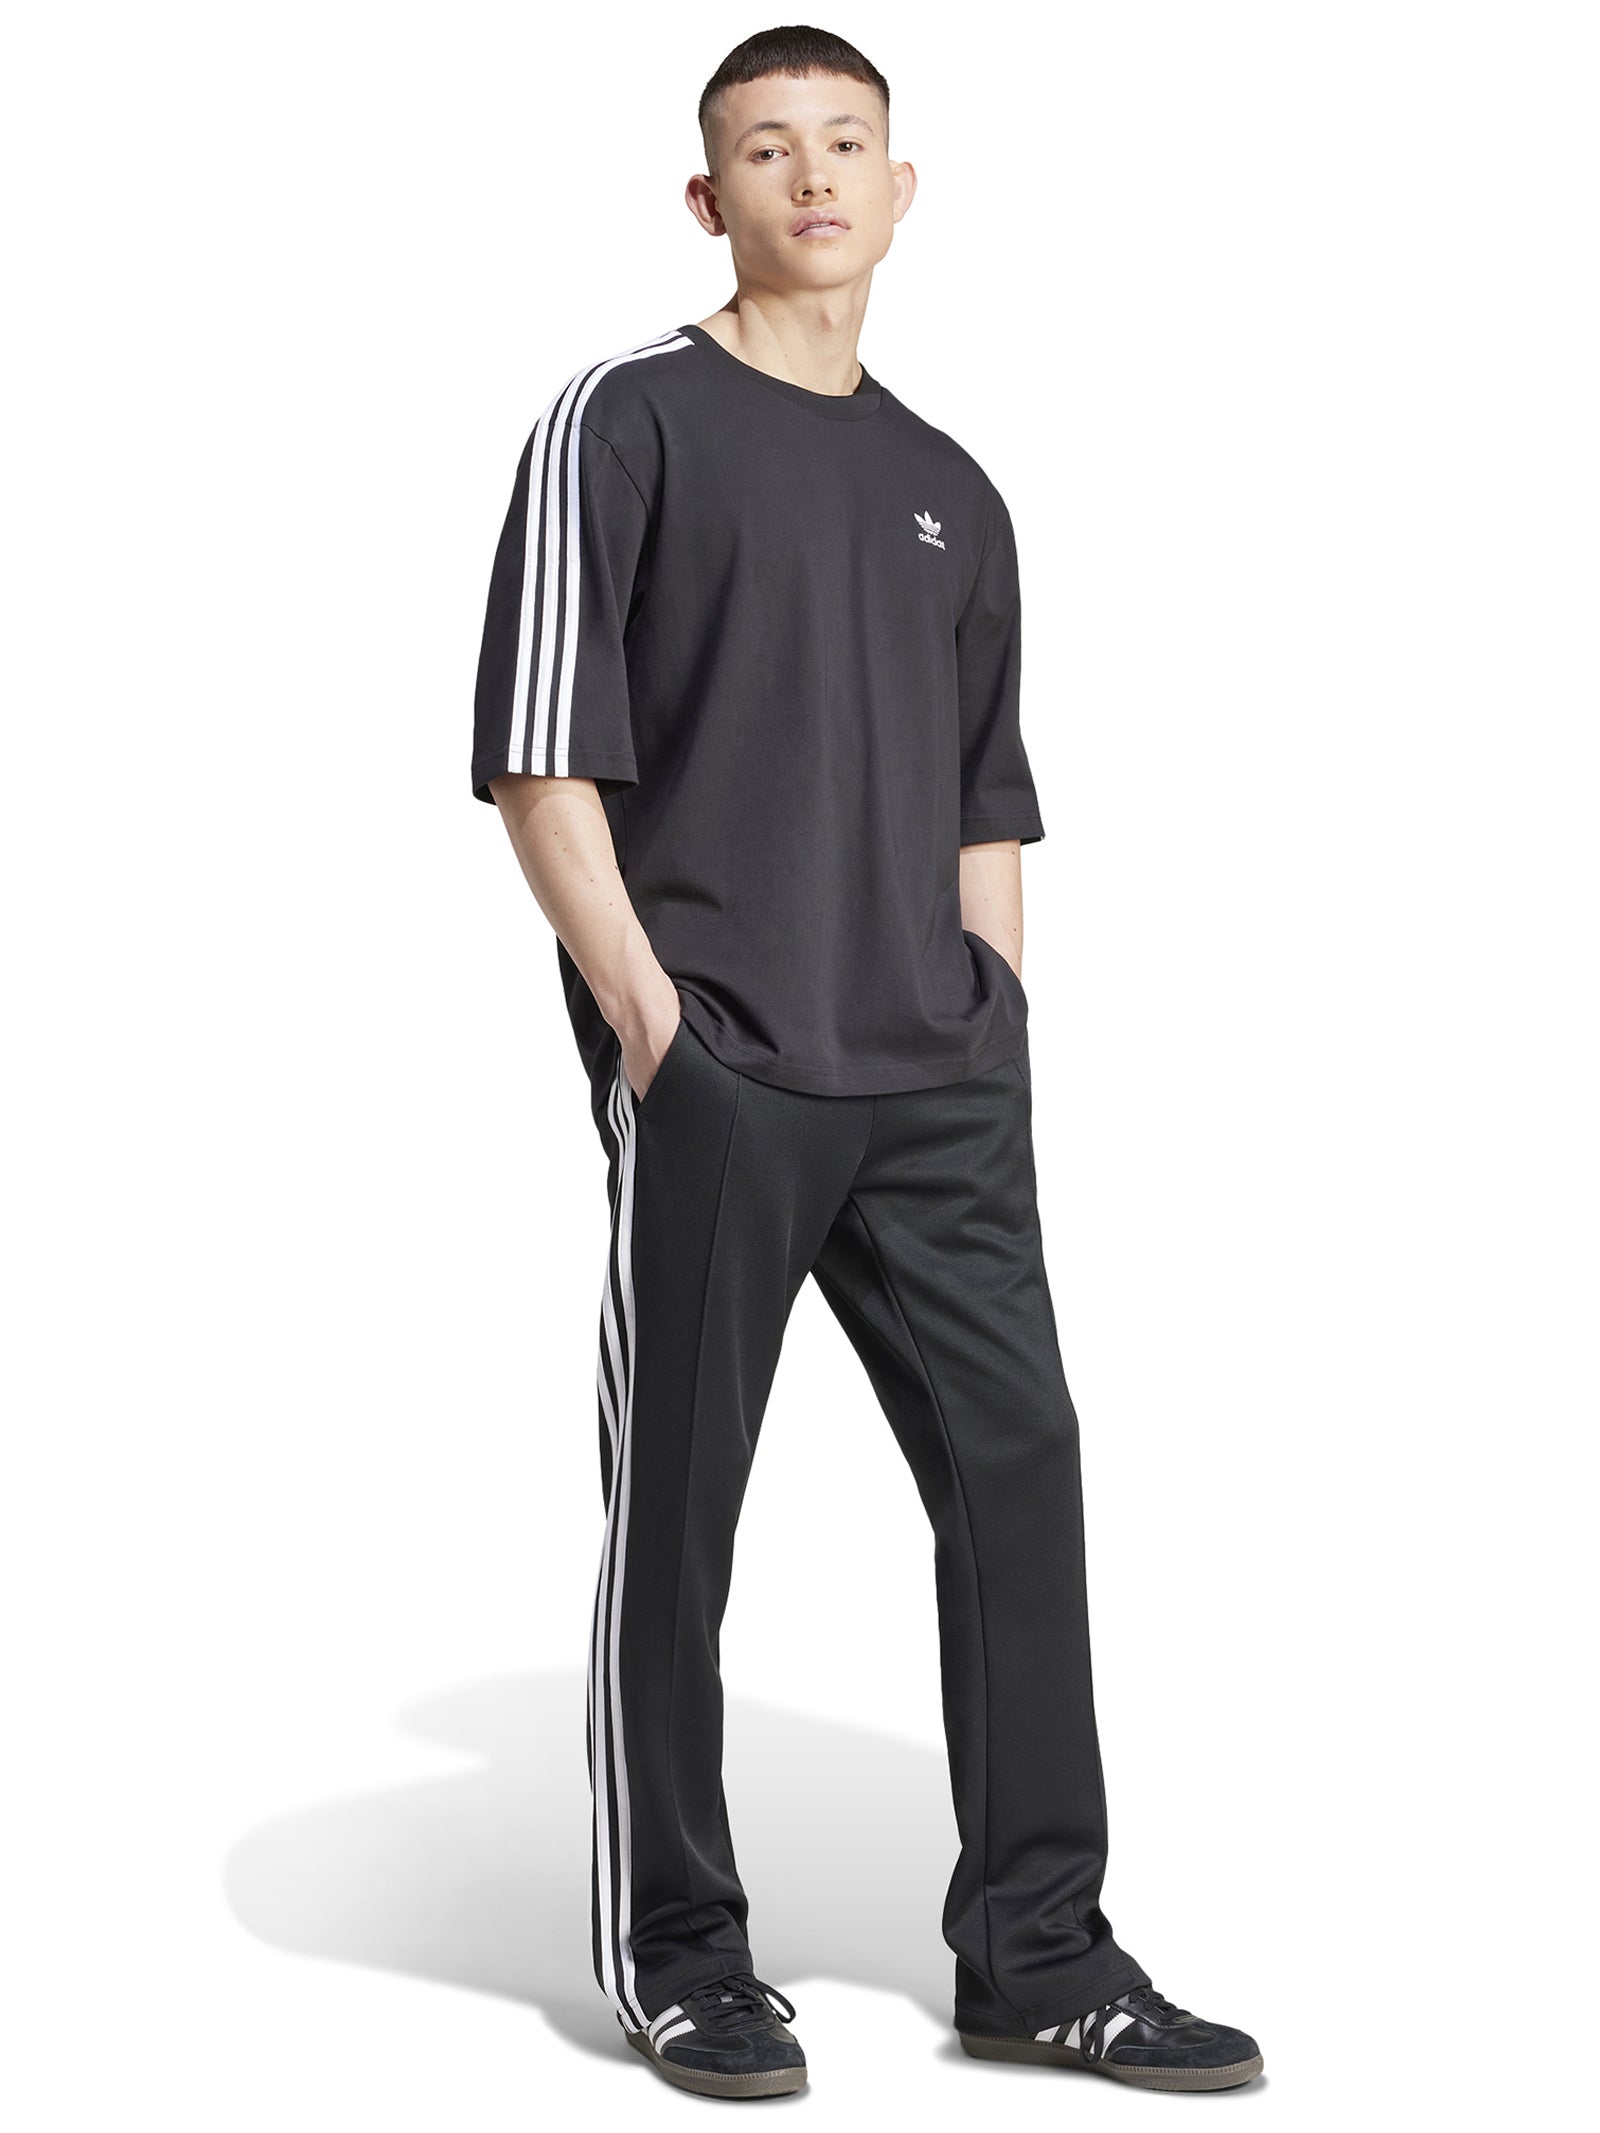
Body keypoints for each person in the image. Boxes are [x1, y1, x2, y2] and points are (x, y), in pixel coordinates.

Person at [470, 23, 1262, 2103]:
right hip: (724, 1063)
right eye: (765, 147)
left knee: (1020, 1477)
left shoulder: (951, 489)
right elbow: (540, 757)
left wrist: (994, 1021)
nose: (809, 174)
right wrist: (656, 1028)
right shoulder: (622, 421)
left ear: (902, 191)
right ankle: (677, 1952)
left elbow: (988, 792)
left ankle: (1039, 1951)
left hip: (937, 1077)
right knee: (680, 1520)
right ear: (705, 195)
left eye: (844, 143)